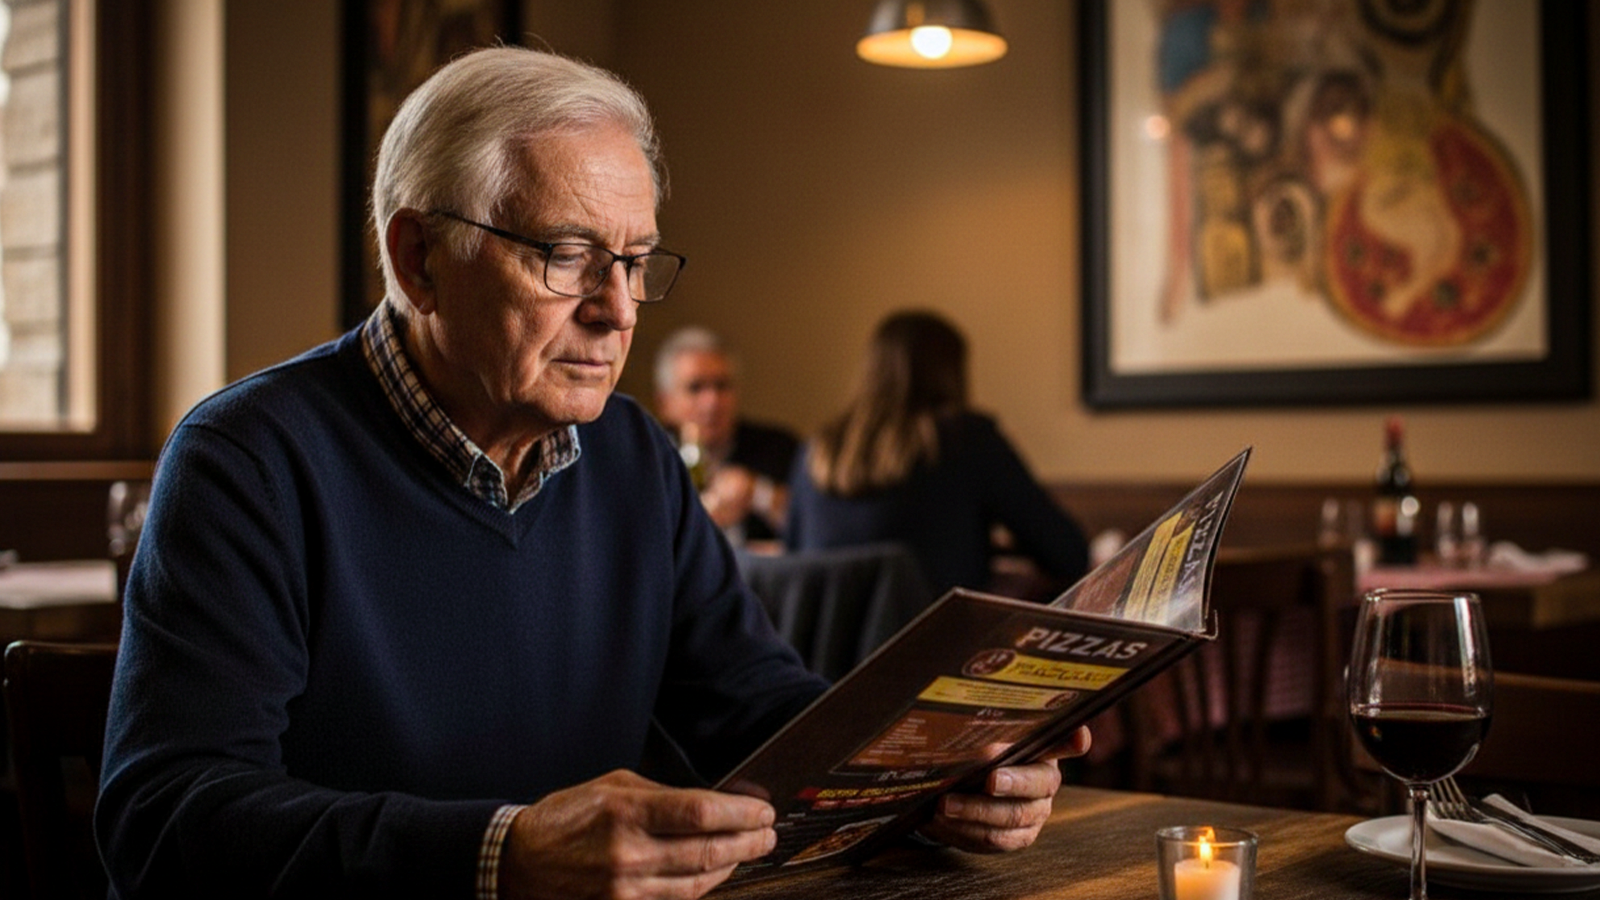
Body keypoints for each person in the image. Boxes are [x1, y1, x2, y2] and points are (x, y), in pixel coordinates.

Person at [96, 48, 1087, 899]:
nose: (618, 311)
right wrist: (500, 858)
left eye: (638, 260)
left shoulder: (633, 454)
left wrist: (930, 775)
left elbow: (753, 708)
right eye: (567, 256)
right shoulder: (246, 461)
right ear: (419, 260)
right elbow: (165, 821)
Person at [787, 310, 1090, 597]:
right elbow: (1068, 554)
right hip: (937, 647)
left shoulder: (814, 449)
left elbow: (795, 556)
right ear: (951, 373)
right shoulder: (967, 438)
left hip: (824, 652)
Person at [653, 326, 799, 543]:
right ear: (665, 403)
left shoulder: (779, 449)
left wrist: (758, 493)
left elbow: (816, 528)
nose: (712, 402)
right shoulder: (648, 460)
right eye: (695, 388)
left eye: (722, 386)